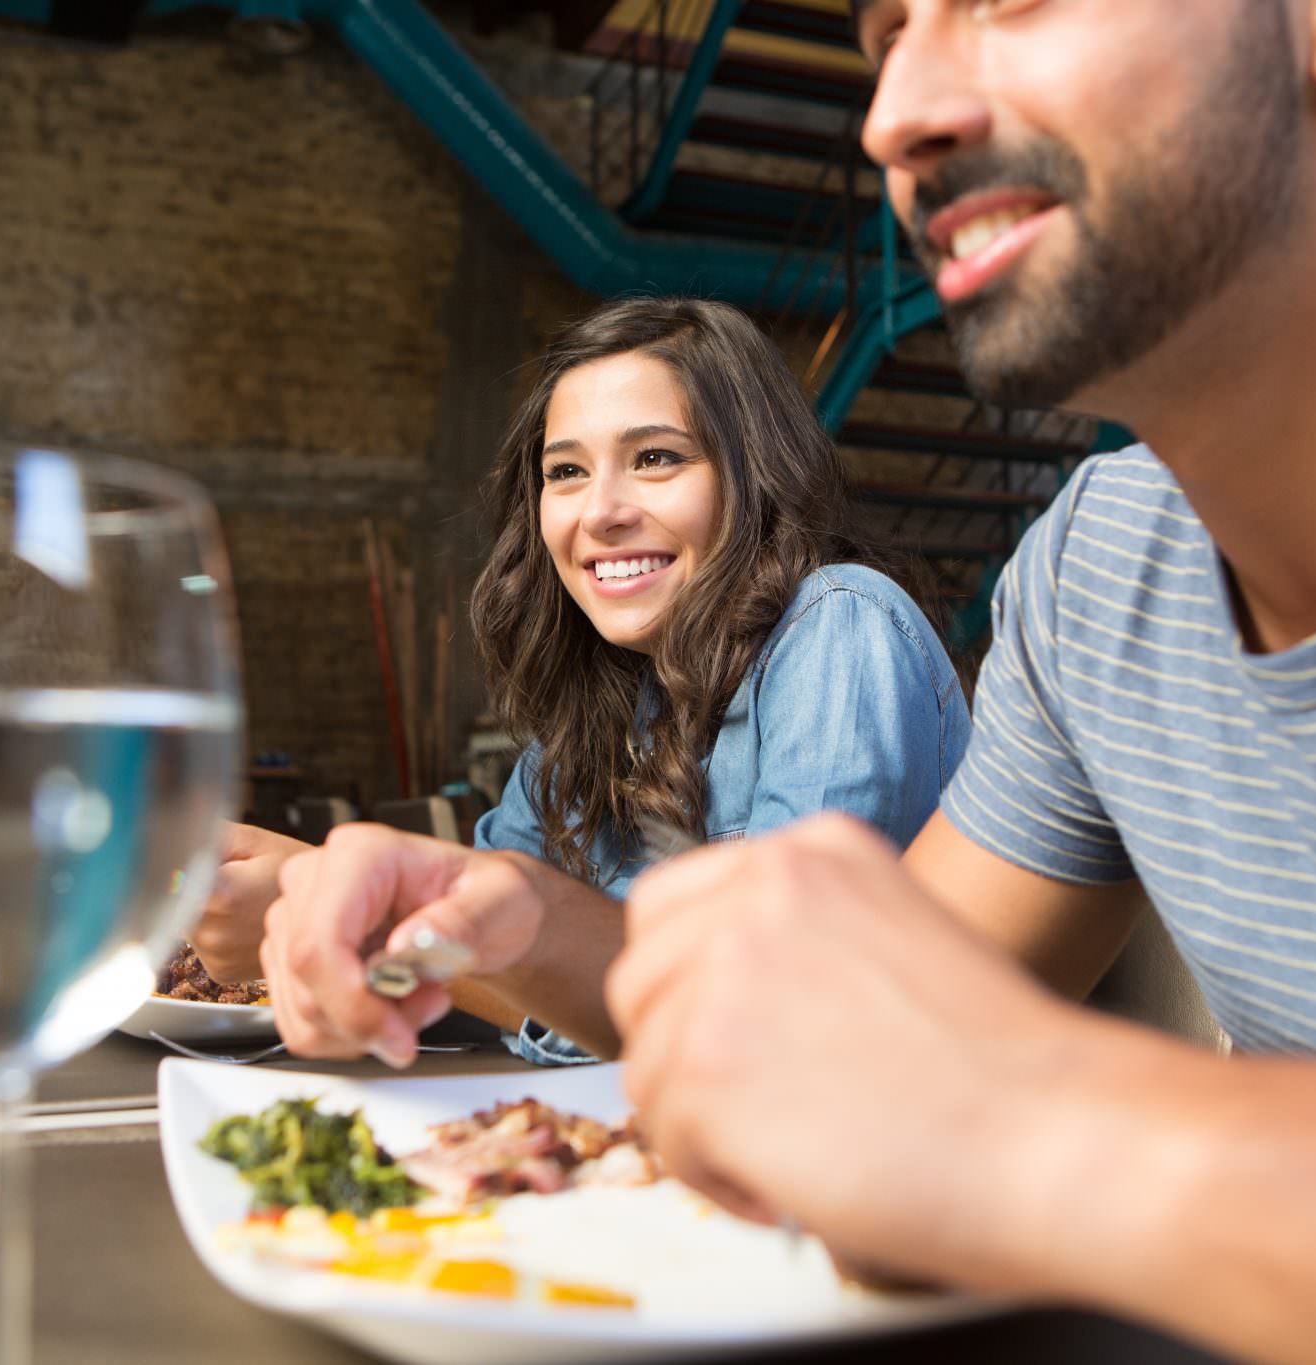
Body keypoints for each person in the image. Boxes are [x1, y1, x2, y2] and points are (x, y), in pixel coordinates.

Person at [594, 1, 1316, 1363]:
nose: (895, 114)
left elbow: (978, 1115)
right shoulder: (1095, 574)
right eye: (886, 33)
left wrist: (1063, 1128)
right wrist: (492, 933)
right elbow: (835, 1092)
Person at [209, 296, 969, 1065]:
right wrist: (352, 938)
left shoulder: (839, 627)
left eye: (655, 458)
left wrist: (354, 918)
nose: (600, 512)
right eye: (566, 471)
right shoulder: (603, 706)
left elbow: (761, 1009)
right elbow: (475, 946)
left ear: (756, 474)